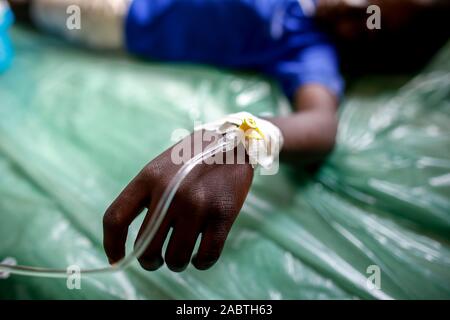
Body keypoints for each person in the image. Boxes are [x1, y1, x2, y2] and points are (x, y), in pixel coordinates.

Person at [6, 0, 448, 272]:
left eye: (367, 24)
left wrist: (241, 137)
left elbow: (320, 125)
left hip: (123, 16)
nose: (349, 11)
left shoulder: (310, 50)